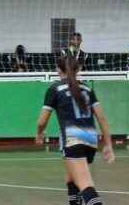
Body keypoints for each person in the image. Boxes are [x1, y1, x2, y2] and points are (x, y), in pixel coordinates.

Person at [36, 56, 115, 205]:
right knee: (71, 177)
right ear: (77, 69)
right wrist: (108, 145)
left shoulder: (55, 89)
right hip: (91, 138)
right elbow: (102, 118)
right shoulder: (87, 88)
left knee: (85, 185)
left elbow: (42, 121)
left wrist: (39, 134)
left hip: (73, 139)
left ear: (58, 69)